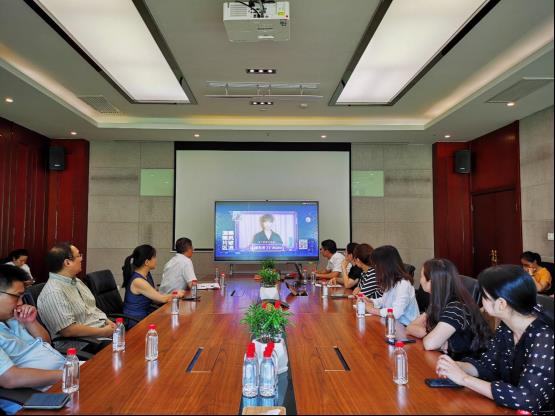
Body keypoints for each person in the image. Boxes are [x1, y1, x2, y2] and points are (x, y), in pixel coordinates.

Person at [435, 265, 553, 412]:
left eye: (484, 297)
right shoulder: (507, 326)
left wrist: (464, 379)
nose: (481, 302)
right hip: (506, 409)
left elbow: (527, 399)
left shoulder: (545, 337)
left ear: (501, 304)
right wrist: (456, 366)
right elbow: (488, 366)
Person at [0, 265, 64, 414]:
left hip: (61, 377)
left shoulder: (12, 317)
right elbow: (10, 378)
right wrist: (69, 374)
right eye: (17, 296)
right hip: (37, 397)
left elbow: (46, 344)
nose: (21, 303)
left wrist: (31, 322)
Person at [406, 259, 491, 359]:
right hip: (447, 359)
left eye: (421, 277)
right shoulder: (438, 301)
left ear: (432, 282)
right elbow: (410, 327)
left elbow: (429, 344)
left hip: (466, 363)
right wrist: (435, 338)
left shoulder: (456, 307)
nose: (420, 281)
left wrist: (433, 338)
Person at [37, 243, 115, 352]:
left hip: (101, 334)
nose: (82, 258)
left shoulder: (76, 281)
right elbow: (68, 330)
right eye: (79, 255)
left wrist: (108, 321)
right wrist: (103, 332)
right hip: (82, 344)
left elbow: (91, 308)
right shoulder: (54, 292)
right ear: (67, 262)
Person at [122, 245, 185, 328]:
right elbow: (161, 299)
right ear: (147, 262)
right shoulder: (138, 281)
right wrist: (176, 294)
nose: (156, 260)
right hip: (136, 320)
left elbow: (155, 298)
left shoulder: (147, 275)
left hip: (146, 315)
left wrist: (172, 295)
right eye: (154, 257)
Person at [362, 245, 419, 326]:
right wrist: (371, 301)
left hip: (405, 327)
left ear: (385, 266)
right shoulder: (390, 280)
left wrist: (373, 310)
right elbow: (385, 301)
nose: (375, 269)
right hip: (393, 323)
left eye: (376, 265)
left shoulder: (403, 284)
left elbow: (396, 312)